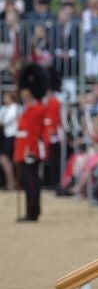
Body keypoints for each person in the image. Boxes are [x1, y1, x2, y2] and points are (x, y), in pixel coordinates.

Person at [15, 63, 49, 222]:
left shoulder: (38, 108)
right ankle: (32, 211)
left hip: (31, 148)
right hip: (24, 147)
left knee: (31, 181)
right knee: (27, 180)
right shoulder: (27, 108)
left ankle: (32, 212)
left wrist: (31, 149)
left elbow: (36, 132)